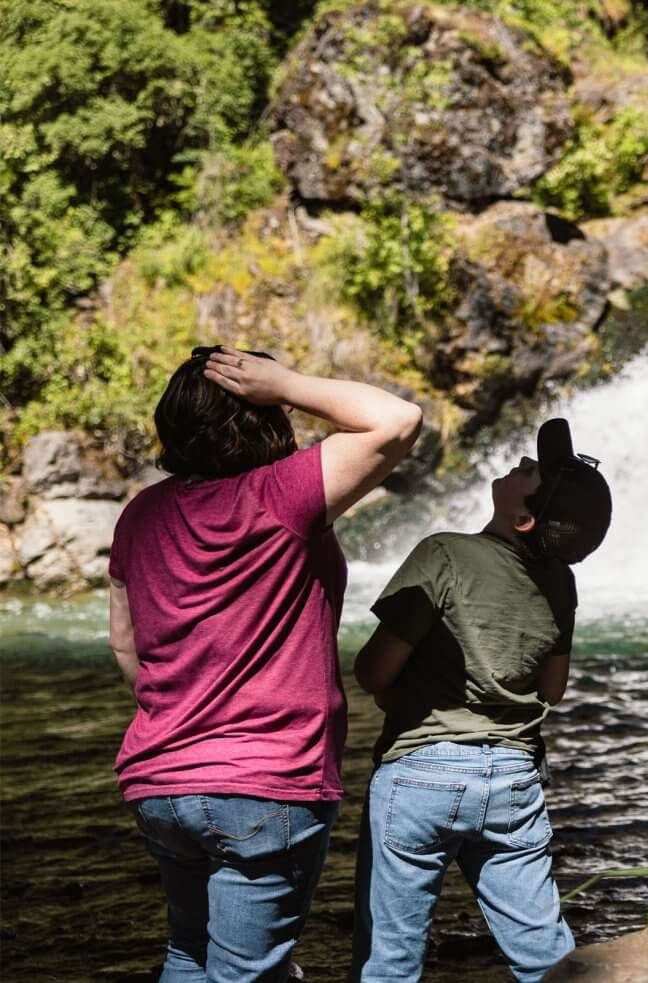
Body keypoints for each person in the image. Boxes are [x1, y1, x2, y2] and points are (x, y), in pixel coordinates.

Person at [108, 346, 422, 982]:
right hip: (265, 780)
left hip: (160, 779)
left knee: (186, 953)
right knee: (246, 973)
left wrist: (180, 714)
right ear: (265, 415)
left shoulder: (141, 513)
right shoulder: (283, 494)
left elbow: (124, 641)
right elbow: (397, 419)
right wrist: (289, 381)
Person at [349, 418, 611, 983]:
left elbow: (373, 671)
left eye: (531, 473)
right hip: (512, 780)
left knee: (389, 960)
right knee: (546, 954)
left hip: (421, 774)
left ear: (524, 516)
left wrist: (403, 691)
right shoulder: (560, 583)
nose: (522, 464)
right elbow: (553, 689)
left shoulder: (442, 554)